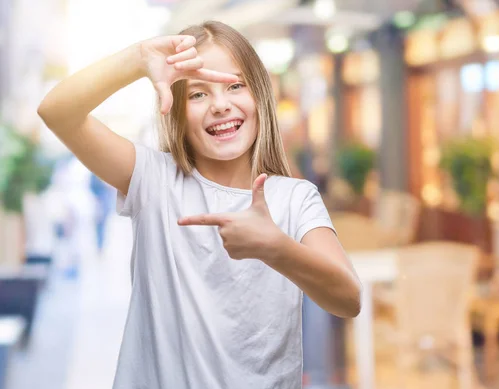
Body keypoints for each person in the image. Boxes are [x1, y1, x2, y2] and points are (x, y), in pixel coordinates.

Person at [37, 21, 362, 389]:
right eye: (198, 94)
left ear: (260, 97)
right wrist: (138, 58)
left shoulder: (294, 198)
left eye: (235, 86)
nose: (221, 105)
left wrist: (277, 249)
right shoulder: (151, 179)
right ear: (175, 108)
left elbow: (348, 299)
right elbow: (56, 111)